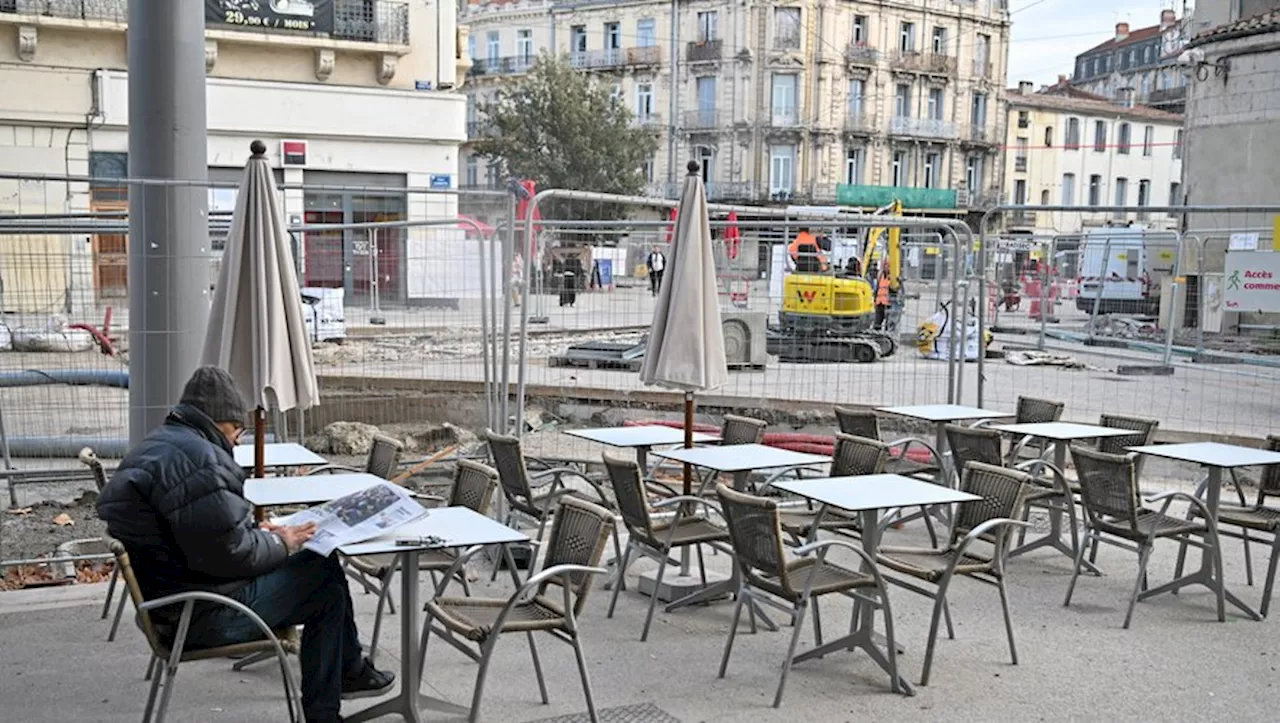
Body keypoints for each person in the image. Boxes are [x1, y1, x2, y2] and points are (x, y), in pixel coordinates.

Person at [97, 366, 393, 723]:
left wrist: (258, 534)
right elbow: (233, 555)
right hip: (201, 614)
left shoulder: (158, 444)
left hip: (171, 600)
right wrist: (280, 542)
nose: (237, 440)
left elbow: (210, 538)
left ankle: (350, 672)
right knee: (325, 582)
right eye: (237, 430)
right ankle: (327, 708)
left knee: (319, 566)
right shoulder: (202, 461)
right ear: (221, 421)